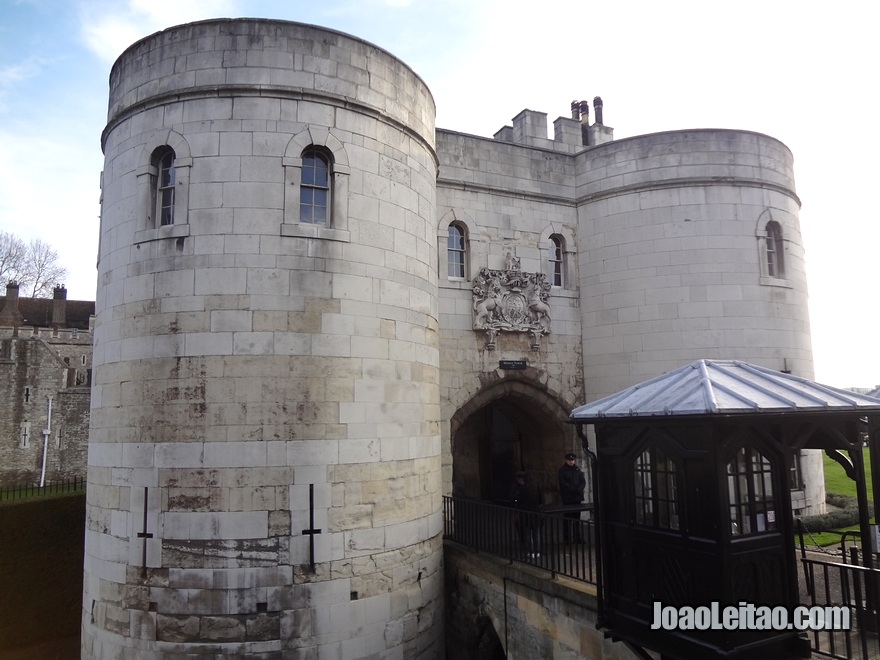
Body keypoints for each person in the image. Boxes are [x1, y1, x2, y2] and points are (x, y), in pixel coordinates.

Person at [510, 471, 542, 559]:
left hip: (526, 513)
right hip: (535, 513)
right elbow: (541, 500)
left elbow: (518, 500)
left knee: (527, 533)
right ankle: (537, 551)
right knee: (536, 533)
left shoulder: (523, 489)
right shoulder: (536, 486)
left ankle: (530, 551)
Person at [558, 452, 586, 542]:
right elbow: (563, 483)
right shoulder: (562, 470)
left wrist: (579, 489)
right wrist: (573, 489)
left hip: (577, 498)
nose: (571, 462)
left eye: (572, 460)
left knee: (576, 519)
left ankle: (577, 537)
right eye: (569, 460)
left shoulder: (577, 470)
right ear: (566, 460)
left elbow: (582, 481)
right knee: (567, 519)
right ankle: (567, 538)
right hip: (568, 498)